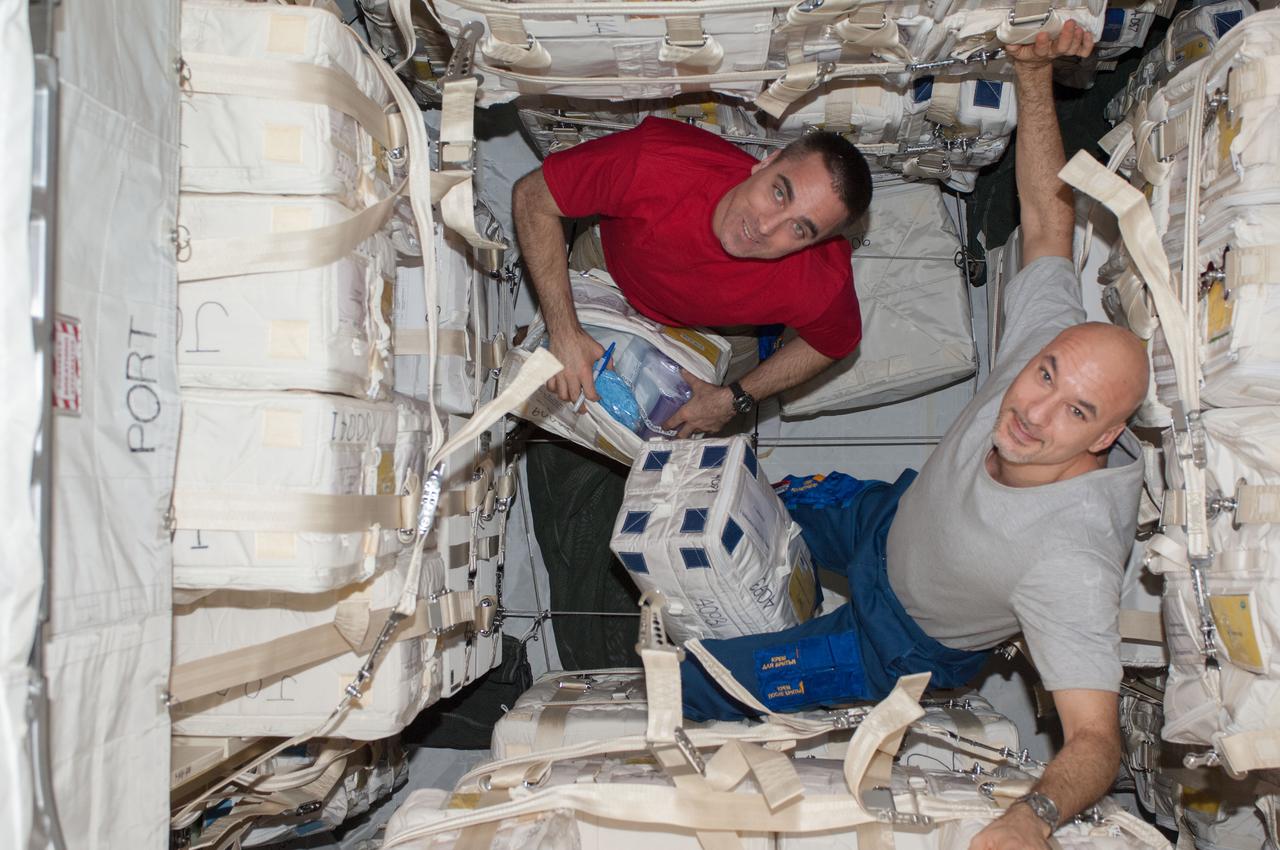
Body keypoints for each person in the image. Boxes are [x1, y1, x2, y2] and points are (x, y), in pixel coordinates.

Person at [679, 22, 1144, 850]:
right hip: (888, 518)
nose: (1033, 411)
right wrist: (1033, 74)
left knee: (711, 683)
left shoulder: (1071, 560)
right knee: (720, 499)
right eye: (1045, 378)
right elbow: (1046, 216)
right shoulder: (1051, 349)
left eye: (1075, 413)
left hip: (895, 642)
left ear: (1106, 438)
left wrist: (1032, 818)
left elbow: (1096, 742)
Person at [512, 116, 872, 438]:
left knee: (691, 430)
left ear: (818, 243)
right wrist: (563, 331)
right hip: (613, 266)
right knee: (545, 361)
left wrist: (735, 400)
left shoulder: (819, 278)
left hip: (722, 329)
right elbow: (532, 196)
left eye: (799, 228)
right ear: (768, 161)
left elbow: (834, 343)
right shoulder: (656, 158)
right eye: (779, 193)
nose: (765, 227)